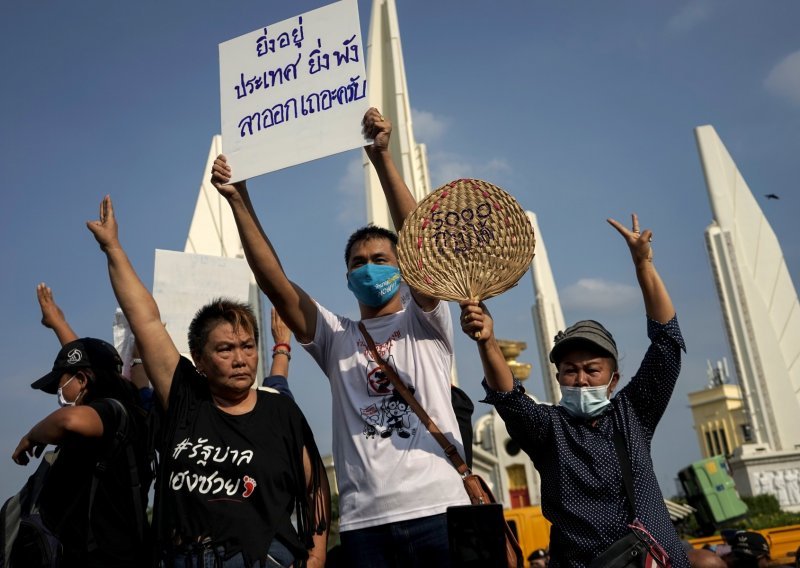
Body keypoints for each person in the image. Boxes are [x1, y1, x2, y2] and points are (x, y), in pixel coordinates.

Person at [211, 107, 470, 567]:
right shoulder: (336, 337)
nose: (369, 267)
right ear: (347, 276)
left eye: (380, 258)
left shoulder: (426, 321)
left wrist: (381, 159)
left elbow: (425, 245)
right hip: (365, 525)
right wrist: (238, 200)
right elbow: (277, 284)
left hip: (442, 512)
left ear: (404, 267)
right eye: (357, 262)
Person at [87, 195, 329, 567]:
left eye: (248, 346)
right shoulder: (185, 398)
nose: (240, 359)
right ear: (198, 358)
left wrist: (315, 558)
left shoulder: (280, 413)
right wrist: (113, 249)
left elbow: (314, 488)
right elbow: (146, 321)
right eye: (225, 349)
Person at [459, 214, 689, 567]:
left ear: (614, 379)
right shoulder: (548, 429)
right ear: (558, 377)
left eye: (592, 370)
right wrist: (487, 341)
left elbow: (666, 345)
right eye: (570, 370)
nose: (581, 379)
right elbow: (509, 398)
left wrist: (643, 265)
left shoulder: (633, 414)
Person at [12, 337, 152, 567]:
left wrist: (31, 436)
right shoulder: (134, 413)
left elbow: (68, 420)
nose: (59, 394)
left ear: (81, 379)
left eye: (60, 383)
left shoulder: (111, 411)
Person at [262, 307, 295, 400]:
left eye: (247, 347)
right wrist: (282, 344)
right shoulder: (274, 407)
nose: (240, 359)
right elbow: (276, 395)